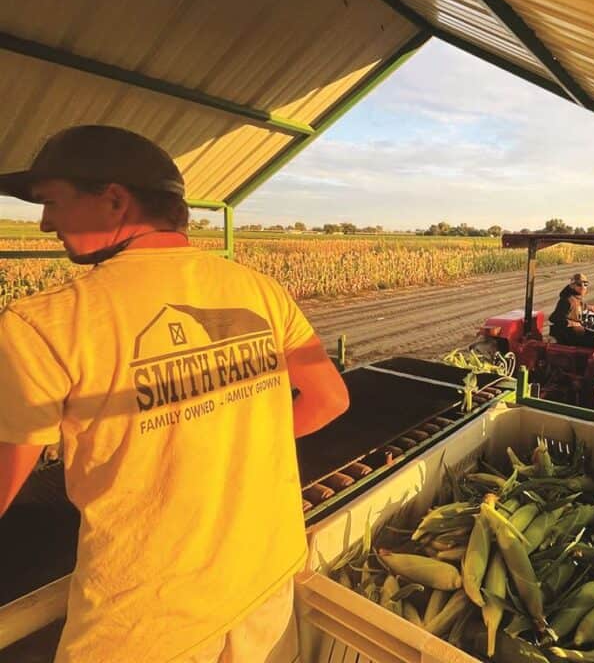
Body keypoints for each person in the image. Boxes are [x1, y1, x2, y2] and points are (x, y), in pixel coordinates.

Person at [0, 126, 350, 663]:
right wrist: (228, 443)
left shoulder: (44, 322)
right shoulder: (259, 290)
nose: (45, 223)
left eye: (52, 202)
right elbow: (329, 399)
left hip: (146, 621)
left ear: (115, 199)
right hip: (265, 583)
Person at [549, 272, 594, 346]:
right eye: (579, 284)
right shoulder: (567, 300)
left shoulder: (576, 298)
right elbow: (555, 319)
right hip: (568, 334)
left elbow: (581, 305)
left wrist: (590, 308)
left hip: (574, 330)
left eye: (585, 284)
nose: (583, 287)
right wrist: (574, 324)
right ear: (572, 286)